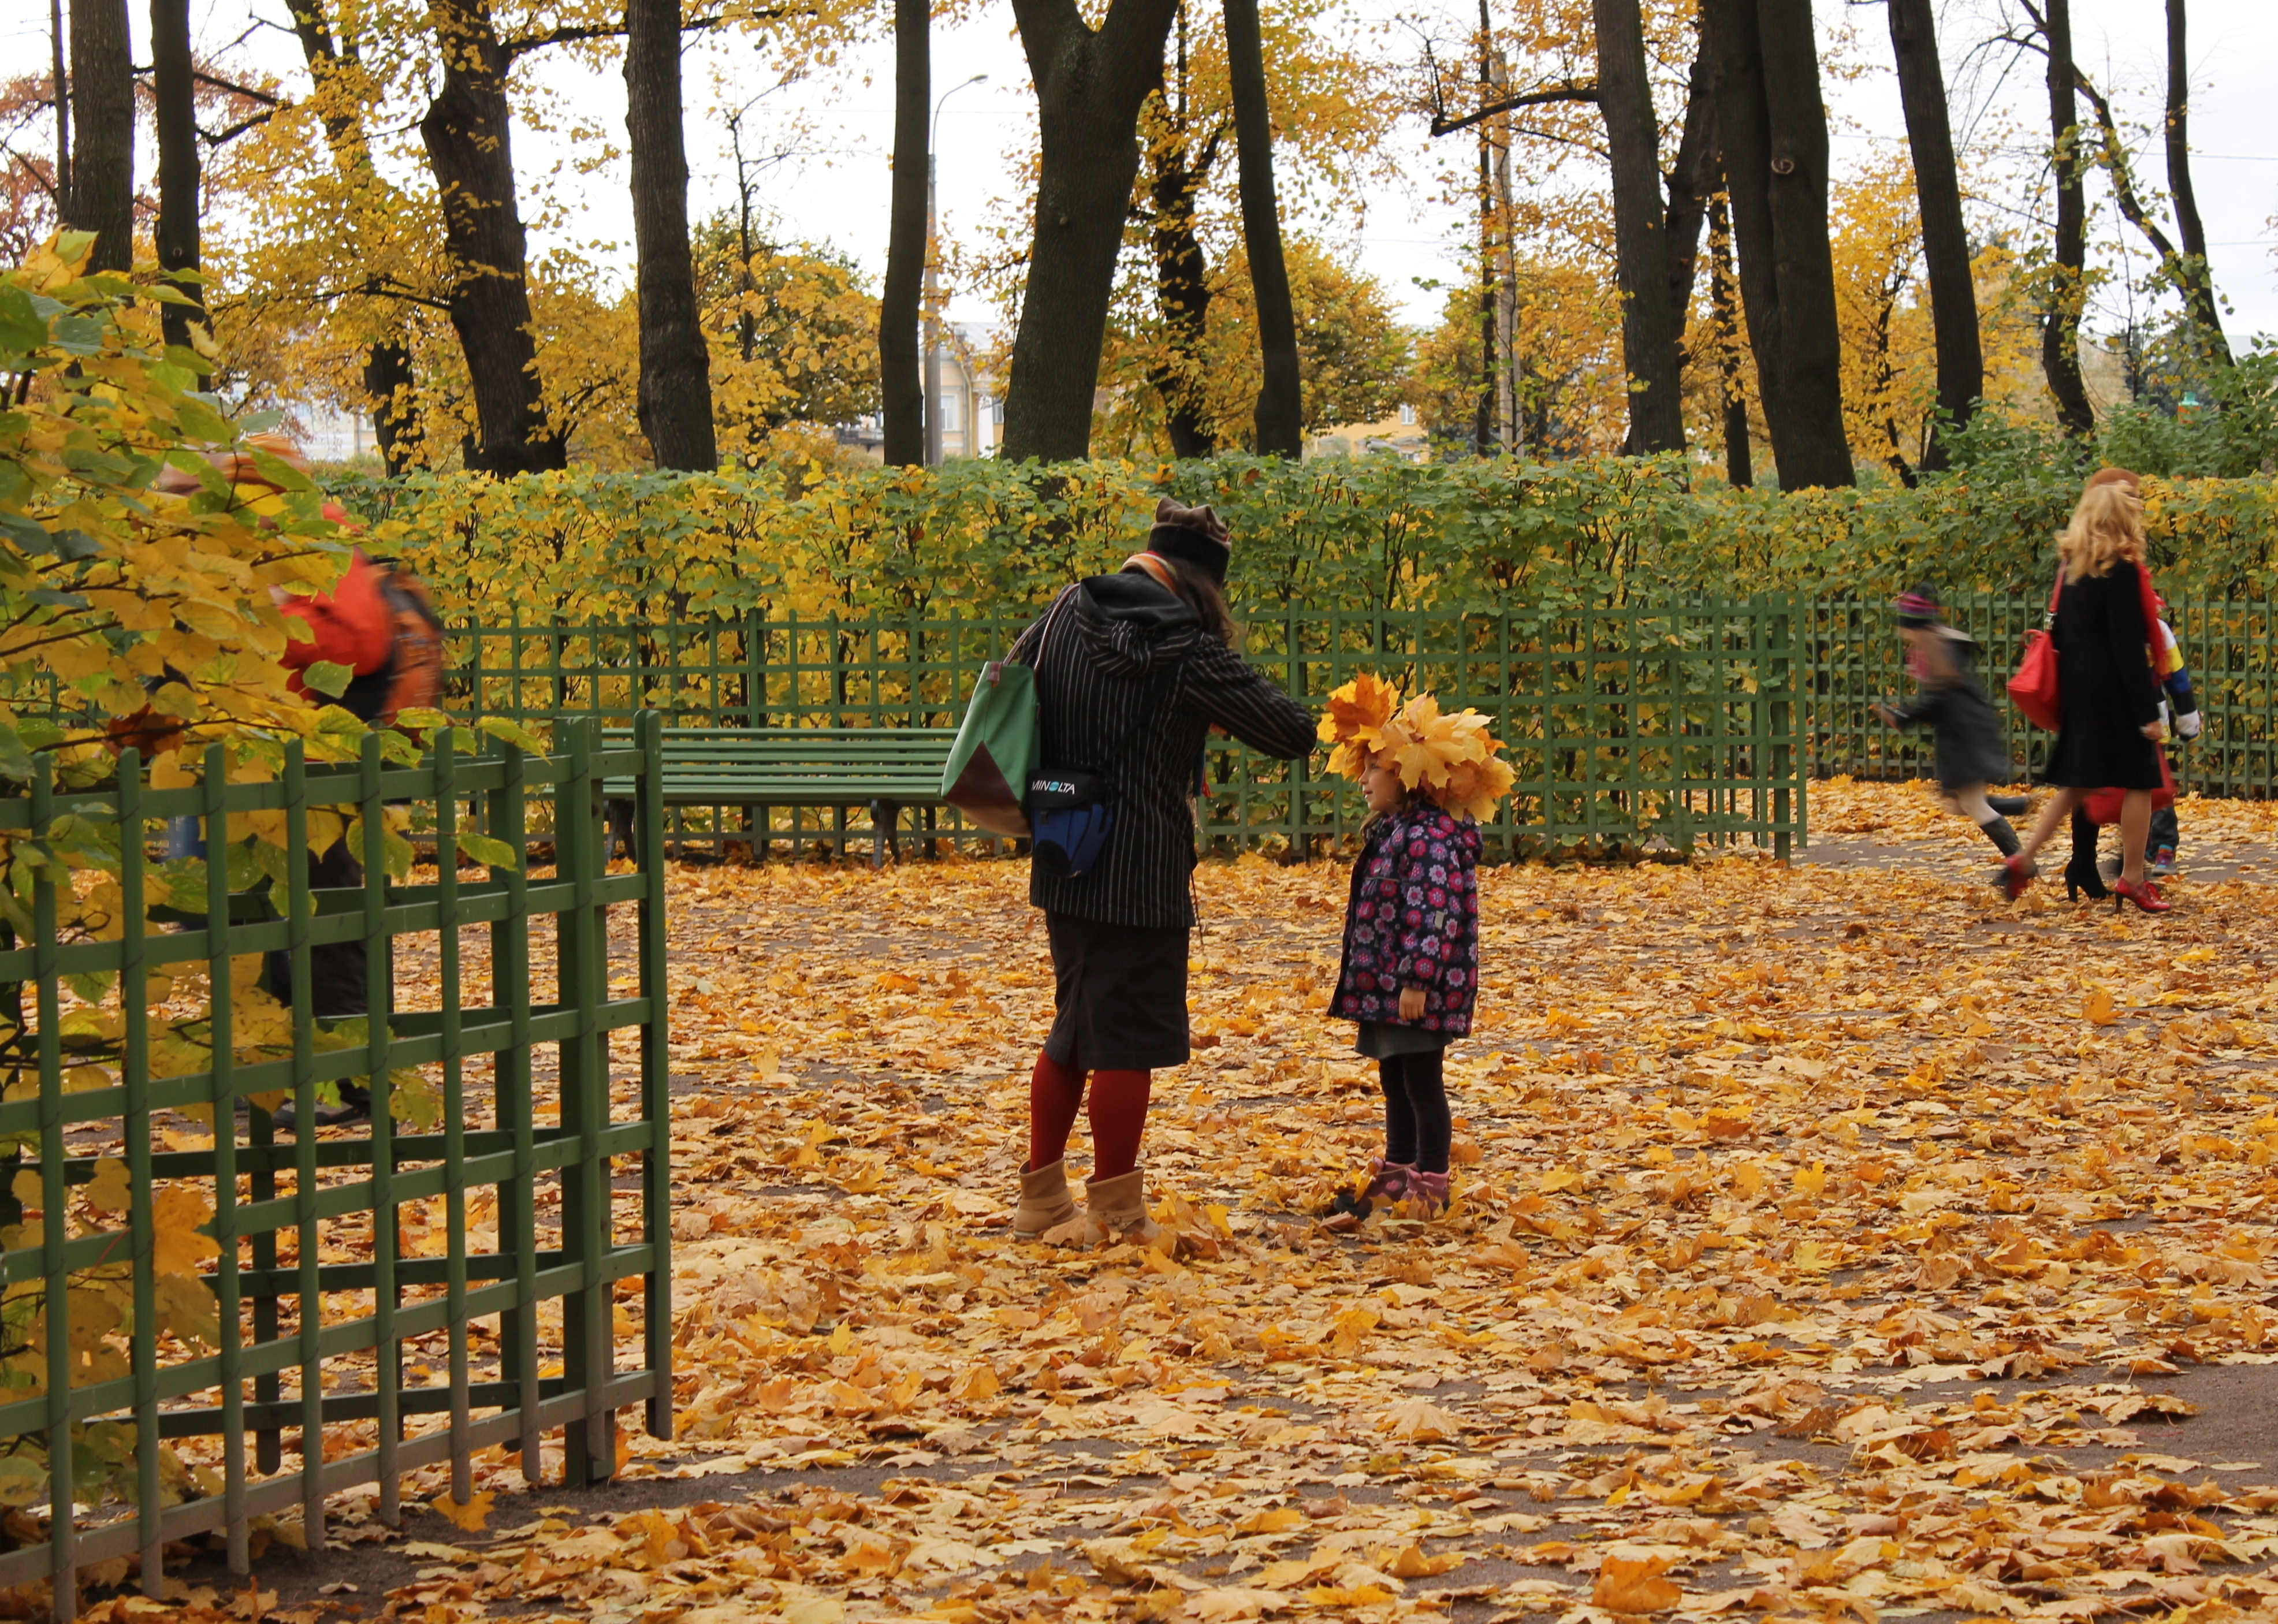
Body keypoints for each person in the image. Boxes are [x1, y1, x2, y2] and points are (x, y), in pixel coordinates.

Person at [1008, 499, 1316, 1245]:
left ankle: (1041, 1199)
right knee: (1128, 1042)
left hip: (1065, 845)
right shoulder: (1181, 643)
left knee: (1075, 1028)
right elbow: (1292, 731)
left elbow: (1014, 689)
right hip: (1142, 868)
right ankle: (1114, 1212)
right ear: (1203, 585)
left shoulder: (1062, 614)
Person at [1316, 677, 1510, 1226]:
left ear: (1405, 775)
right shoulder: (1396, 830)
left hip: (1415, 988)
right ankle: (1399, 1171)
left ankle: (1432, 1182)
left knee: (1422, 1081)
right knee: (1394, 1076)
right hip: (1388, 984)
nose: (1362, 782)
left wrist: (1416, 979)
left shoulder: (1428, 837)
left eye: (1371, 771)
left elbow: (1433, 913)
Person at [2000, 470, 2172, 913]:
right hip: (2115, 691)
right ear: (2122, 520)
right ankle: (2133, 879)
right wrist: (2145, 712)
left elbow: (2067, 637)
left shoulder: (2073, 569)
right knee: (2140, 783)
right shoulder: (2124, 571)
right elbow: (2126, 648)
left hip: (2080, 690)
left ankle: (2024, 858)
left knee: (2075, 785)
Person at [1867, 586, 2030, 862]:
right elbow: (1941, 699)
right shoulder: (1939, 643)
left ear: (1911, 625)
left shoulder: (1939, 649)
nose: (1899, 631)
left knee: (1971, 803)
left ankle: (2022, 864)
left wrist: (1903, 716)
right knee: (1958, 805)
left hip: (1964, 735)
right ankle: (2017, 808)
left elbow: (1941, 699)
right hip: (1964, 731)